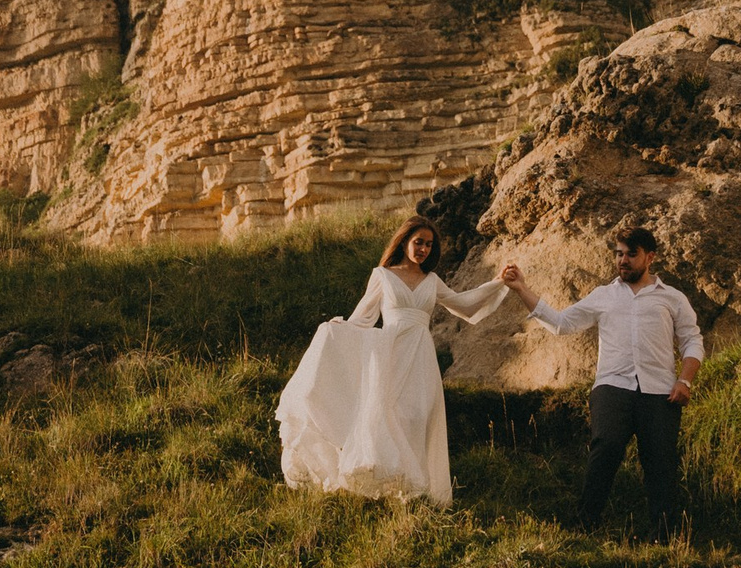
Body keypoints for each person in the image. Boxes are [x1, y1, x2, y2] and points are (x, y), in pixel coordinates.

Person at [275, 218, 504, 508]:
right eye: (418, 241)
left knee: (419, 416)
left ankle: (416, 489)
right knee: (391, 414)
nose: (423, 248)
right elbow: (362, 319)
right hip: (390, 352)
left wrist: (498, 283)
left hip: (421, 354)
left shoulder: (432, 280)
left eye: (429, 244)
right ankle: (392, 487)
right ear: (405, 241)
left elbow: (465, 304)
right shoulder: (382, 275)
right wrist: (335, 330)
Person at [499, 227, 704, 539]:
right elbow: (561, 324)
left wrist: (685, 381)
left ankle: (664, 536)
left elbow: (692, 341)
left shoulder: (672, 299)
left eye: (630, 254)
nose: (622, 260)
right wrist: (521, 289)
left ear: (650, 258)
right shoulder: (603, 296)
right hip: (612, 387)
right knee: (605, 448)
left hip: (660, 391)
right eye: (619, 253)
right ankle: (585, 525)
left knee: (660, 461)